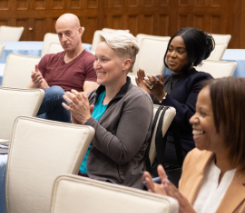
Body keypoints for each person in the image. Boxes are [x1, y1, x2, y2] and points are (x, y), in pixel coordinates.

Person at [143, 77, 245, 213]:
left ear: (233, 121)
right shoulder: (195, 158)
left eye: (203, 114)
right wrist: (167, 208)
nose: (192, 120)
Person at [63, 31, 152, 188]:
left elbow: (122, 153)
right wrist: (77, 127)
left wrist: (87, 120)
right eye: (96, 58)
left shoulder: (138, 100)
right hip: (77, 173)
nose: (96, 65)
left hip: (109, 183)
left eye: (104, 60)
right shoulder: (91, 97)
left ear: (126, 64)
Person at [135, 27, 214, 171]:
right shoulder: (162, 80)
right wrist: (143, 94)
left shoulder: (201, 80)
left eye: (180, 51)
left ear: (194, 55)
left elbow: (190, 120)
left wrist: (162, 96)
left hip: (179, 147)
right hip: (152, 141)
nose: (172, 55)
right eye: (170, 49)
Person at [29, 13, 98, 123]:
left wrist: (49, 91)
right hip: (42, 116)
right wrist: (35, 83)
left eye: (68, 33)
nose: (64, 39)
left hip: (69, 116)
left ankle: (11, 114)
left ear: (79, 31)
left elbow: (89, 98)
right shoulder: (48, 59)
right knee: (53, 93)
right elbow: (27, 96)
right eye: (60, 35)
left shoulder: (90, 61)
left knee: (56, 92)